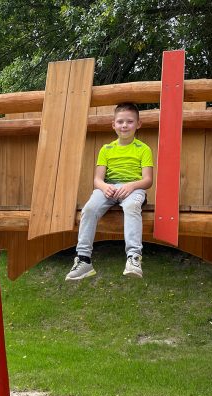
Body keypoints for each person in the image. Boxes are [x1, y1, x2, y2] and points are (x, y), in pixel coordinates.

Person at [66, 102, 154, 281]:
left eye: (130, 122)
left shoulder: (144, 149)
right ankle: (83, 260)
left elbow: (147, 180)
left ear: (138, 124)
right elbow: (97, 179)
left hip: (133, 189)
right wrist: (105, 187)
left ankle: (133, 258)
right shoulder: (106, 149)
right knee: (89, 209)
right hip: (109, 188)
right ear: (113, 125)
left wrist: (130, 186)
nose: (124, 125)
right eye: (120, 121)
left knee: (131, 207)